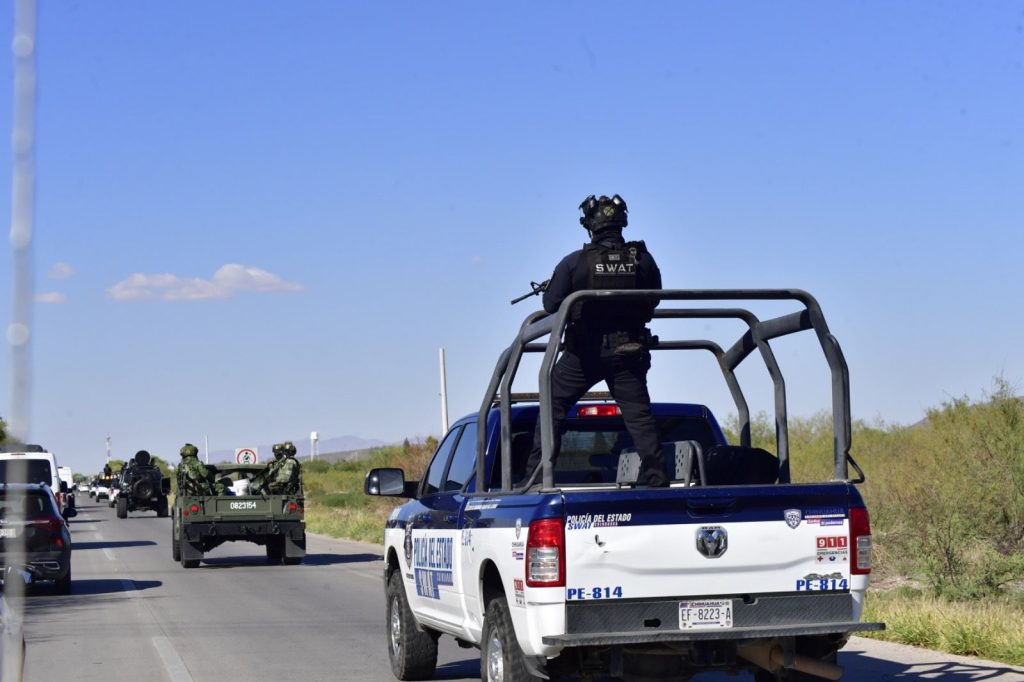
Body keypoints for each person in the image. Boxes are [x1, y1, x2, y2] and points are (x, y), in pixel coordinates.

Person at [524, 194, 668, 487]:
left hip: (583, 354)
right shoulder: (643, 260)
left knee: (551, 406)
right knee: (639, 417)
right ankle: (656, 477)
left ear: (588, 225)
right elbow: (653, 300)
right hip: (628, 350)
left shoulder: (574, 263)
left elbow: (551, 305)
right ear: (622, 222)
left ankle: (538, 478)